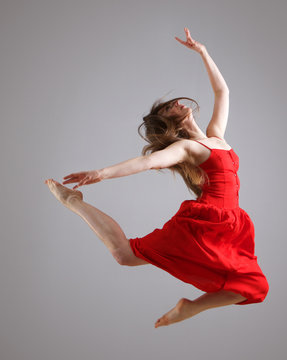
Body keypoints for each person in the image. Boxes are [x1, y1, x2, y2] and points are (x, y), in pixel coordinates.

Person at [45, 27, 269, 328]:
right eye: (169, 108)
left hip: (231, 224)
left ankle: (190, 307)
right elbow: (147, 162)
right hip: (208, 224)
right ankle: (73, 202)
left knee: (254, 288)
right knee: (126, 255)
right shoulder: (187, 148)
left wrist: (202, 52)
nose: (177, 103)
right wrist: (101, 173)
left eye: (174, 102)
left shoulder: (216, 136)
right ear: (172, 124)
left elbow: (222, 92)